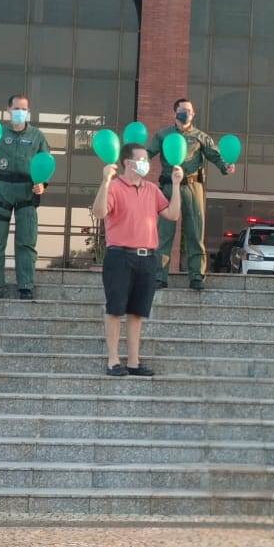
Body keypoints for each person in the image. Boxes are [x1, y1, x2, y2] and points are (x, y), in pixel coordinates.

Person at [91, 144, 183, 377]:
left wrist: (176, 185)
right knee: (115, 309)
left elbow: (173, 214)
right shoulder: (114, 187)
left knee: (137, 312)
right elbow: (99, 212)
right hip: (120, 256)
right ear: (127, 163)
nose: (146, 164)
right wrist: (105, 181)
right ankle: (113, 360)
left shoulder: (151, 189)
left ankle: (133, 361)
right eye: (141, 159)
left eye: (147, 160)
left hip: (147, 257)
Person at [147, 98, 235, 291]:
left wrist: (225, 166)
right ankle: (159, 276)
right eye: (183, 110)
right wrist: (134, 163)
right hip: (169, 187)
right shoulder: (163, 135)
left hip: (193, 186)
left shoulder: (200, 137)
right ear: (175, 112)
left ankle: (196, 276)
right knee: (164, 233)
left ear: (193, 114)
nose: (186, 113)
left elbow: (215, 155)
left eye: (190, 111)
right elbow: (148, 153)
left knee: (195, 232)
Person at [0, 94, 49, 300]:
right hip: (2, 192)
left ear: (28, 111)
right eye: (16, 108)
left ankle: (25, 286)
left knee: (26, 241)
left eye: (24, 109)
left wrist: (42, 185)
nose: (20, 112)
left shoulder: (37, 136)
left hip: (27, 193)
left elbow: (45, 164)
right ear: (8, 109)